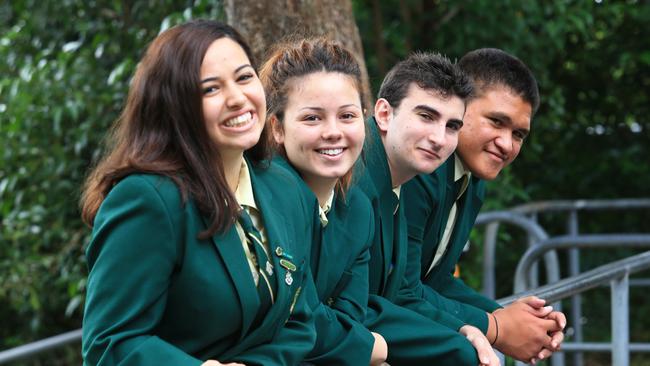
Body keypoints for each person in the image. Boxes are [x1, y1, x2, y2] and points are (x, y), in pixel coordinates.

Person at [79, 20, 317, 366]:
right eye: (210, 89)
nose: (237, 99)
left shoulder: (283, 185)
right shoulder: (147, 200)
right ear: (175, 107)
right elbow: (109, 343)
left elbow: (300, 318)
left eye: (244, 77)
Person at [402, 48, 566, 363]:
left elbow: (435, 278)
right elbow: (402, 289)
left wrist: (511, 318)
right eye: (496, 122)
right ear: (459, 106)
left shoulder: (471, 182)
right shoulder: (421, 170)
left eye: (518, 134)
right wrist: (497, 327)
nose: (507, 144)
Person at [356, 52, 500, 365]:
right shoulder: (355, 181)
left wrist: (465, 328)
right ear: (383, 114)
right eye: (426, 116)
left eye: (452, 126)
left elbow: (402, 291)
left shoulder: (398, 181)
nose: (438, 138)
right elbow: (351, 305)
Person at [259, 38, 387, 366]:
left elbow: (349, 317)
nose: (333, 131)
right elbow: (298, 319)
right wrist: (375, 348)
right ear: (277, 128)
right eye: (313, 119)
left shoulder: (358, 209)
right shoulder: (266, 196)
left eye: (346, 116)